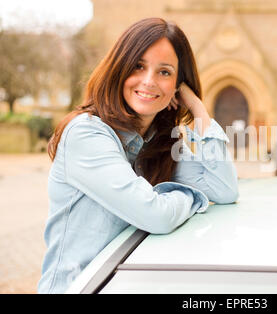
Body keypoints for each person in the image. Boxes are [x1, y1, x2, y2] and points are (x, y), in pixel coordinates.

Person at [38, 17, 239, 294]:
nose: (149, 81)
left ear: (177, 88)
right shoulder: (86, 135)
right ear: (119, 69)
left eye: (165, 73)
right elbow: (155, 215)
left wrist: (198, 110)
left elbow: (225, 189)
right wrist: (191, 197)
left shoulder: (158, 145)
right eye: (138, 66)